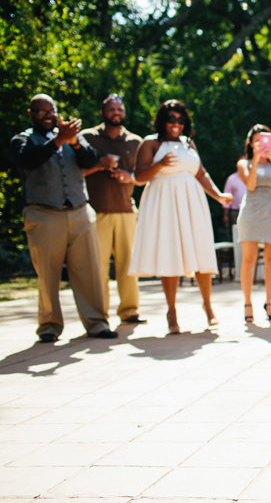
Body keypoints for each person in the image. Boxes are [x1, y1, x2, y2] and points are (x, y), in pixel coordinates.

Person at [10, 94, 117, 343]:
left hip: (79, 211)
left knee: (89, 270)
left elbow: (91, 160)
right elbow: (29, 161)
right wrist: (59, 140)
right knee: (48, 273)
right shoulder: (23, 139)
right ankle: (49, 326)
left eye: (52, 111)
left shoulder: (72, 138)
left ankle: (97, 323)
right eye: (41, 111)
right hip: (44, 213)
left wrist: (76, 144)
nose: (48, 115)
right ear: (30, 114)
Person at [130, 100, 232, 334]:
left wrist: (218, 196)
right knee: (170, 252)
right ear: (162, 121)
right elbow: (139, 176)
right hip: (163, 201)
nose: (176, 124)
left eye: (180, 119)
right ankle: (172, 311)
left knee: (200, 250)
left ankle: (208, 306)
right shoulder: (151, 143)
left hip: (192, 200)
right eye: (171, 119)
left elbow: (201, 172)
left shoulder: (189, 143)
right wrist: (160, 164)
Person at [81, 94, 146, 325]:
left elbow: (143, 177)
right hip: (96, 211)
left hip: (127, 211)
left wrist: (130, 178)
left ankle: (130, 311)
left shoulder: (135, 141)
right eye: (111, 108)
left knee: (129, 264)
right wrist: (98, 166)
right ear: (102, 112)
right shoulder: (86, 137)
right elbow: (74, 172)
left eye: (119, 108)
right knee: (97, 266)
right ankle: (100, 315)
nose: (116, 112)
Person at [236, 125, 271, 323]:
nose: (262, 144)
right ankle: (247, 303)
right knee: (248, 260)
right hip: (251, 212)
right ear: (251, 144)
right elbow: (250, 185)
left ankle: (269, 302)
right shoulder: (244, 163)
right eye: (257, 141)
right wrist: (256, 161)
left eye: (265, 140)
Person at [222, 156, 247, 231]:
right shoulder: (231, 179)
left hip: (250, 210)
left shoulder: (252, 177)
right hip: (236, 211)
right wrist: (225, 215)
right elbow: (227, 196)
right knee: (237, 232)